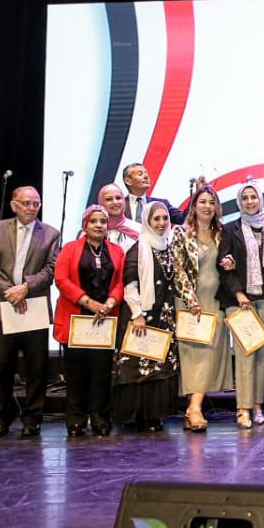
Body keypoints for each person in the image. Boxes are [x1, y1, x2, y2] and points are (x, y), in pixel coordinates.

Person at [0, 186, 60, 438]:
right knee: (3, 367)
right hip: (4, 307)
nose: (31, 208)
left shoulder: (50, 233)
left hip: (34, 306)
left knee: (36, 368)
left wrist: (25, 287)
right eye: (26, 203)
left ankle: (32, 418)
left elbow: (51, 269)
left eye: (36, 203)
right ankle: (1, 418)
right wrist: (11, 292)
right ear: (14, 205)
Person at [114, 202, 196, 432]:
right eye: (156, 219)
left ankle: (153, 416)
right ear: (147, 222)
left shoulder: (170, 246)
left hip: (164, 316)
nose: (161, 223)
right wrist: (137, 314)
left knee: (160, 367)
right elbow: (130, 285)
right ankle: (135, 416)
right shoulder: (139, 248)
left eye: (164, 219)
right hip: (142, 316)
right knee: (138, 366)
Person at [53, 205, 124, 437]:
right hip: (76, 318)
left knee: (102, 373)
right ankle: (76, 419)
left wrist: (110, 303)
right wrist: (88, 302)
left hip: (105, 319)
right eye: (94, 221)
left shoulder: (116, 251)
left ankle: (100, 418)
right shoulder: (69, 248)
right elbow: (61, 279)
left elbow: (121, 282)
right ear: (85, 225)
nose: (98, 225)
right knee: (76, 374)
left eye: (103, 222)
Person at [216, 180, 264, 428]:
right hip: (240, 300)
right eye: (245, 198)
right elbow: (224, 265)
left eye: (253, 197)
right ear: (239, 202)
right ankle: (242, 408)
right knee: (245, 352)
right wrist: (238, 293)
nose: (250, 202)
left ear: (260, 199)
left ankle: (257, 405)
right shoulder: (230, 229)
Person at [178, 184, 234, 431]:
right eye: (203, 202)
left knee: (208, 356)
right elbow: (177, 269)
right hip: (190, 303)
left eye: (212, 202)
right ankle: (195, 409)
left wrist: (230, 262)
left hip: (215, 303)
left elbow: (229, 262)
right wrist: (191, 300)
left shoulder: (222, 234)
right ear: (194, 206)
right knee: (193, 357)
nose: (208, 206)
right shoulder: (181, 233)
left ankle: (193, 408)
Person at [98, 183, 140, 253]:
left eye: (118, 198)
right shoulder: (93, 230)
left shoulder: (139, 229)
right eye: (109, 199)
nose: (115, 202)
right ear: (101, 203)